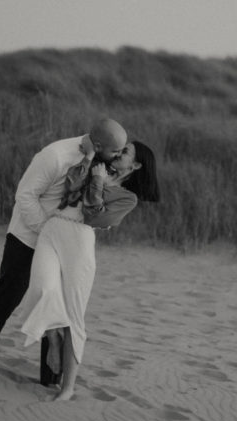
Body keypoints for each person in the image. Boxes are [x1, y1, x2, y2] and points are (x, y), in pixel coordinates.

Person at [0, 118, 128, 367]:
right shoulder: (55, 155)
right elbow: (25, 195)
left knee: (59, 305)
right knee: (6, 299)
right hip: (26, 238)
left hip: (64, 245)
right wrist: (48, 233)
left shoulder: (101, 163)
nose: (118, 156)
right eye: (115, 151)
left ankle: (49, 380)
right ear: (98, 145)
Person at [17, 140, 160, 401]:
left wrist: (97, 181)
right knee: (42, 289)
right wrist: (90, 158)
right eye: (119, 148)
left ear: (136, 165)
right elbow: (70, 185)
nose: (118, 152)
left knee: (74, 315)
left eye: (125, 151)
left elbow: (94, 216)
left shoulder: (127, 198)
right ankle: (53, 338)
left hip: (79, 243)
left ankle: (67, 388)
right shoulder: (95, 167)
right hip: (52, 230)